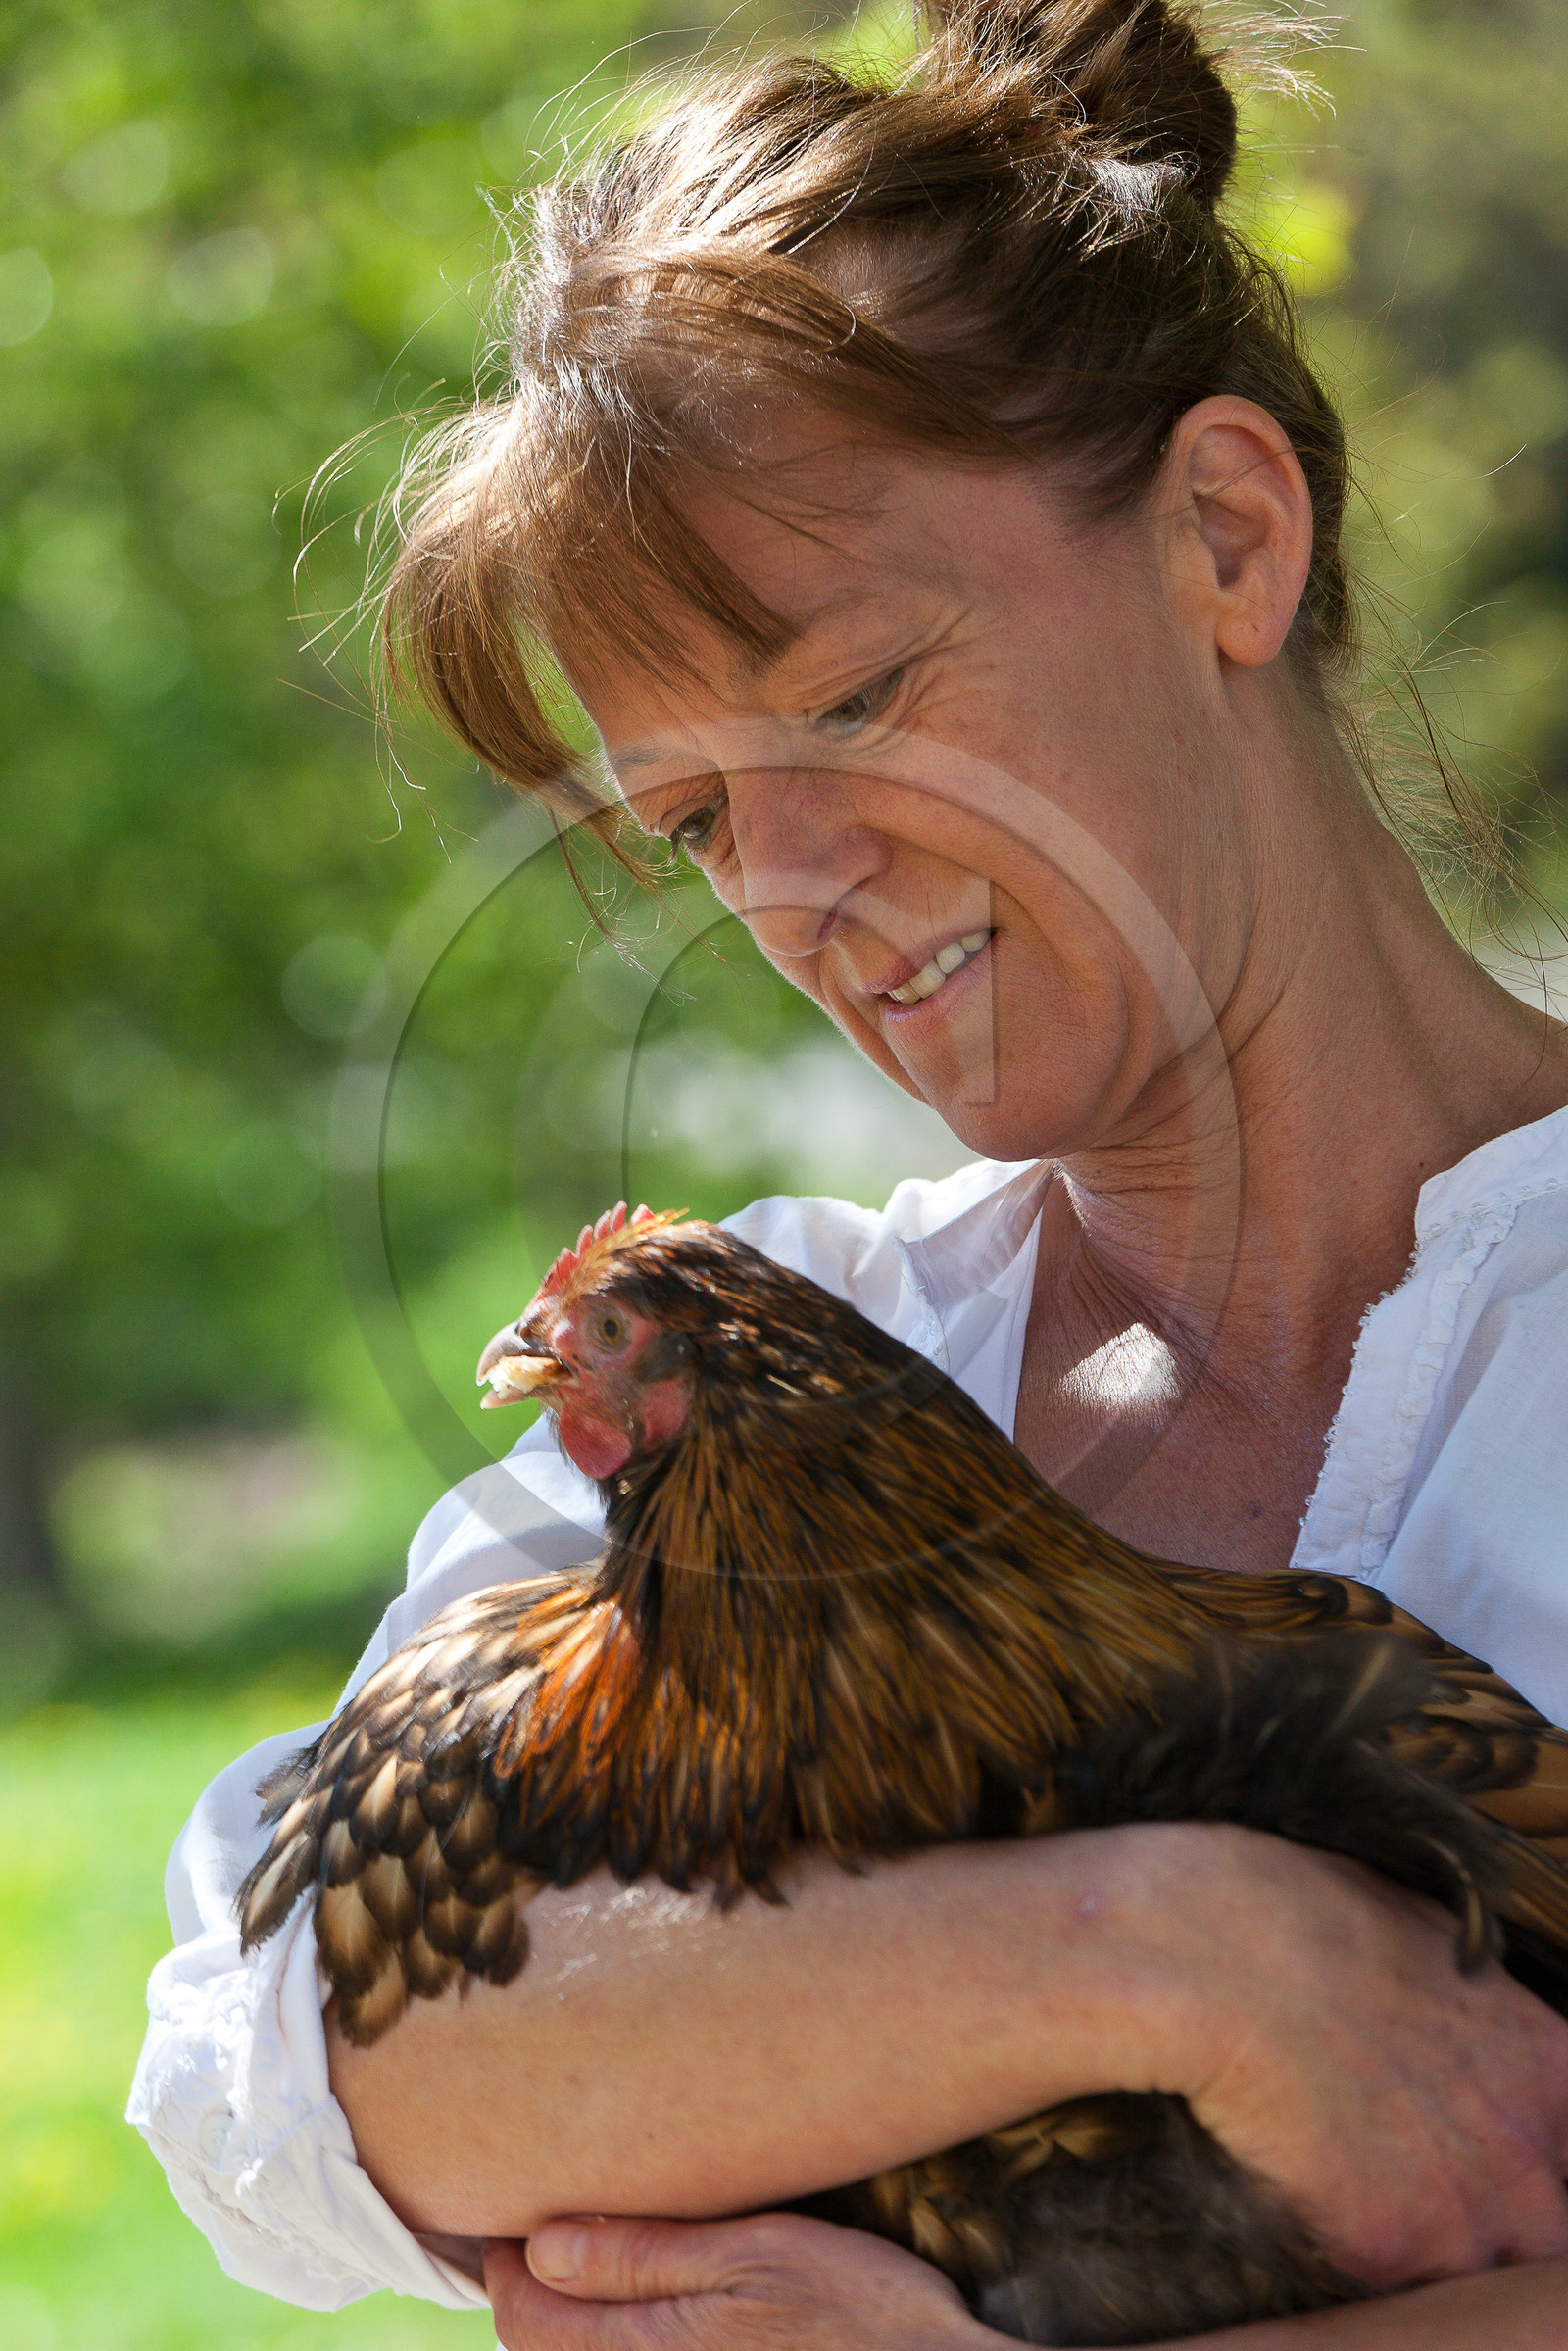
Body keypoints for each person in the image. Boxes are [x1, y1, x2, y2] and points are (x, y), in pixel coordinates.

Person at [129, 3, 1568, 2343]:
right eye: (692, 821)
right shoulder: (794, 1343)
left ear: (1224, 534)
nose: (786, 880)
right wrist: (1185, 1956)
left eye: (854, 701)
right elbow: (301, 2055)